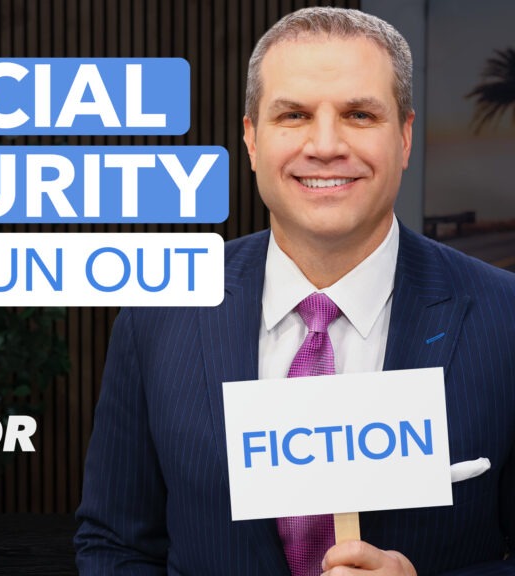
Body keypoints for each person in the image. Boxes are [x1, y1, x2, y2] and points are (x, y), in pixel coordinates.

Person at [75, 7, 514, 575]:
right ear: (252, 139)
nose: (326, 144)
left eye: (359, 114)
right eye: (294, 115)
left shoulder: (505, 319)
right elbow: (115, 545)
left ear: (404, 137)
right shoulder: (161, 310)